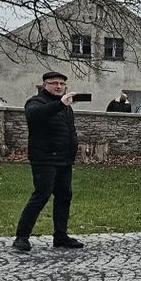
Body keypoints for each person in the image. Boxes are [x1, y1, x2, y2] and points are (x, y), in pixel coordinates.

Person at [12, 71, 84, 252]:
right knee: (41, 195)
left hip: (64, 160)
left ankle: (60, 235)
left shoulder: (66, 106)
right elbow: (35, 116)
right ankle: (21, 237)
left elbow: (69, 130)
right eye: (54, 83)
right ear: (44, 85)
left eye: (61, 83)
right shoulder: (36, 102)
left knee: (64, 196)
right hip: (44, 159)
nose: (58, 86)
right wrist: (60, 104)